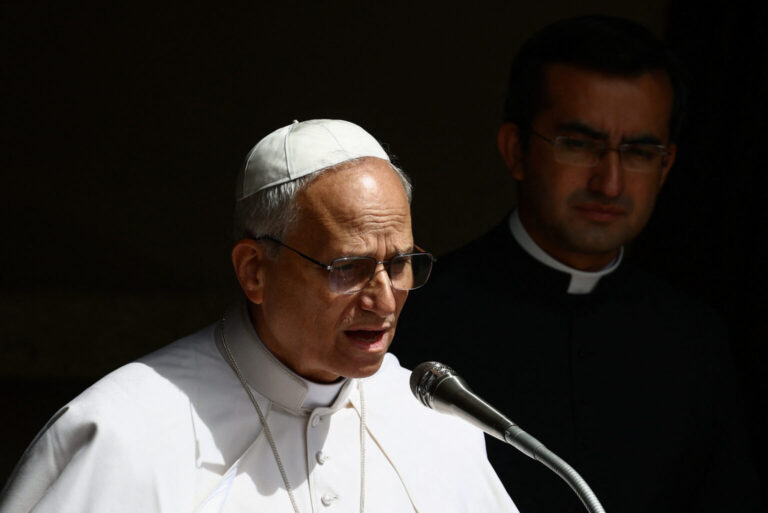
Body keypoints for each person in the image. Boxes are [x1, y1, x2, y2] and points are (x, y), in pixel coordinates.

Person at [0, 119, 517, 513]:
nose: (383, 301)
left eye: (399, 264)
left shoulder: (437, 428)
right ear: (254, 271)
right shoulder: (126, 433)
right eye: (348, 268)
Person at [395, 16, 762, 513]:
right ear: (515, 151)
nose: (609, 182)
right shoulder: (414, 315)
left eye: (638, 151)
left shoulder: (695, 340)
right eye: (580, 144)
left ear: (667, 166)